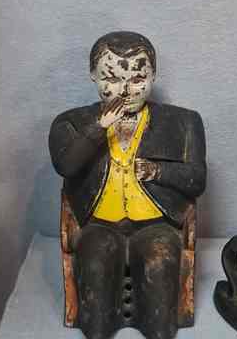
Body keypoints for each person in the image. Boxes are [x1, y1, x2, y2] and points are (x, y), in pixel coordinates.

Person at [49, 31, 206, 339]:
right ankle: (99, 326)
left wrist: (158, 171)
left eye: (137, 79)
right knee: (95, 262)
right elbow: (66, 166)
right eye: (112, 79)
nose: (125, 91)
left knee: (159, 261)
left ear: (153, 76)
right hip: (98, 224)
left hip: (156, 224)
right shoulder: (71, 123)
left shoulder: (184, 122)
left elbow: (197, 180)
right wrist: (99, 128)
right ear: (93, 76)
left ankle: (157, 326)